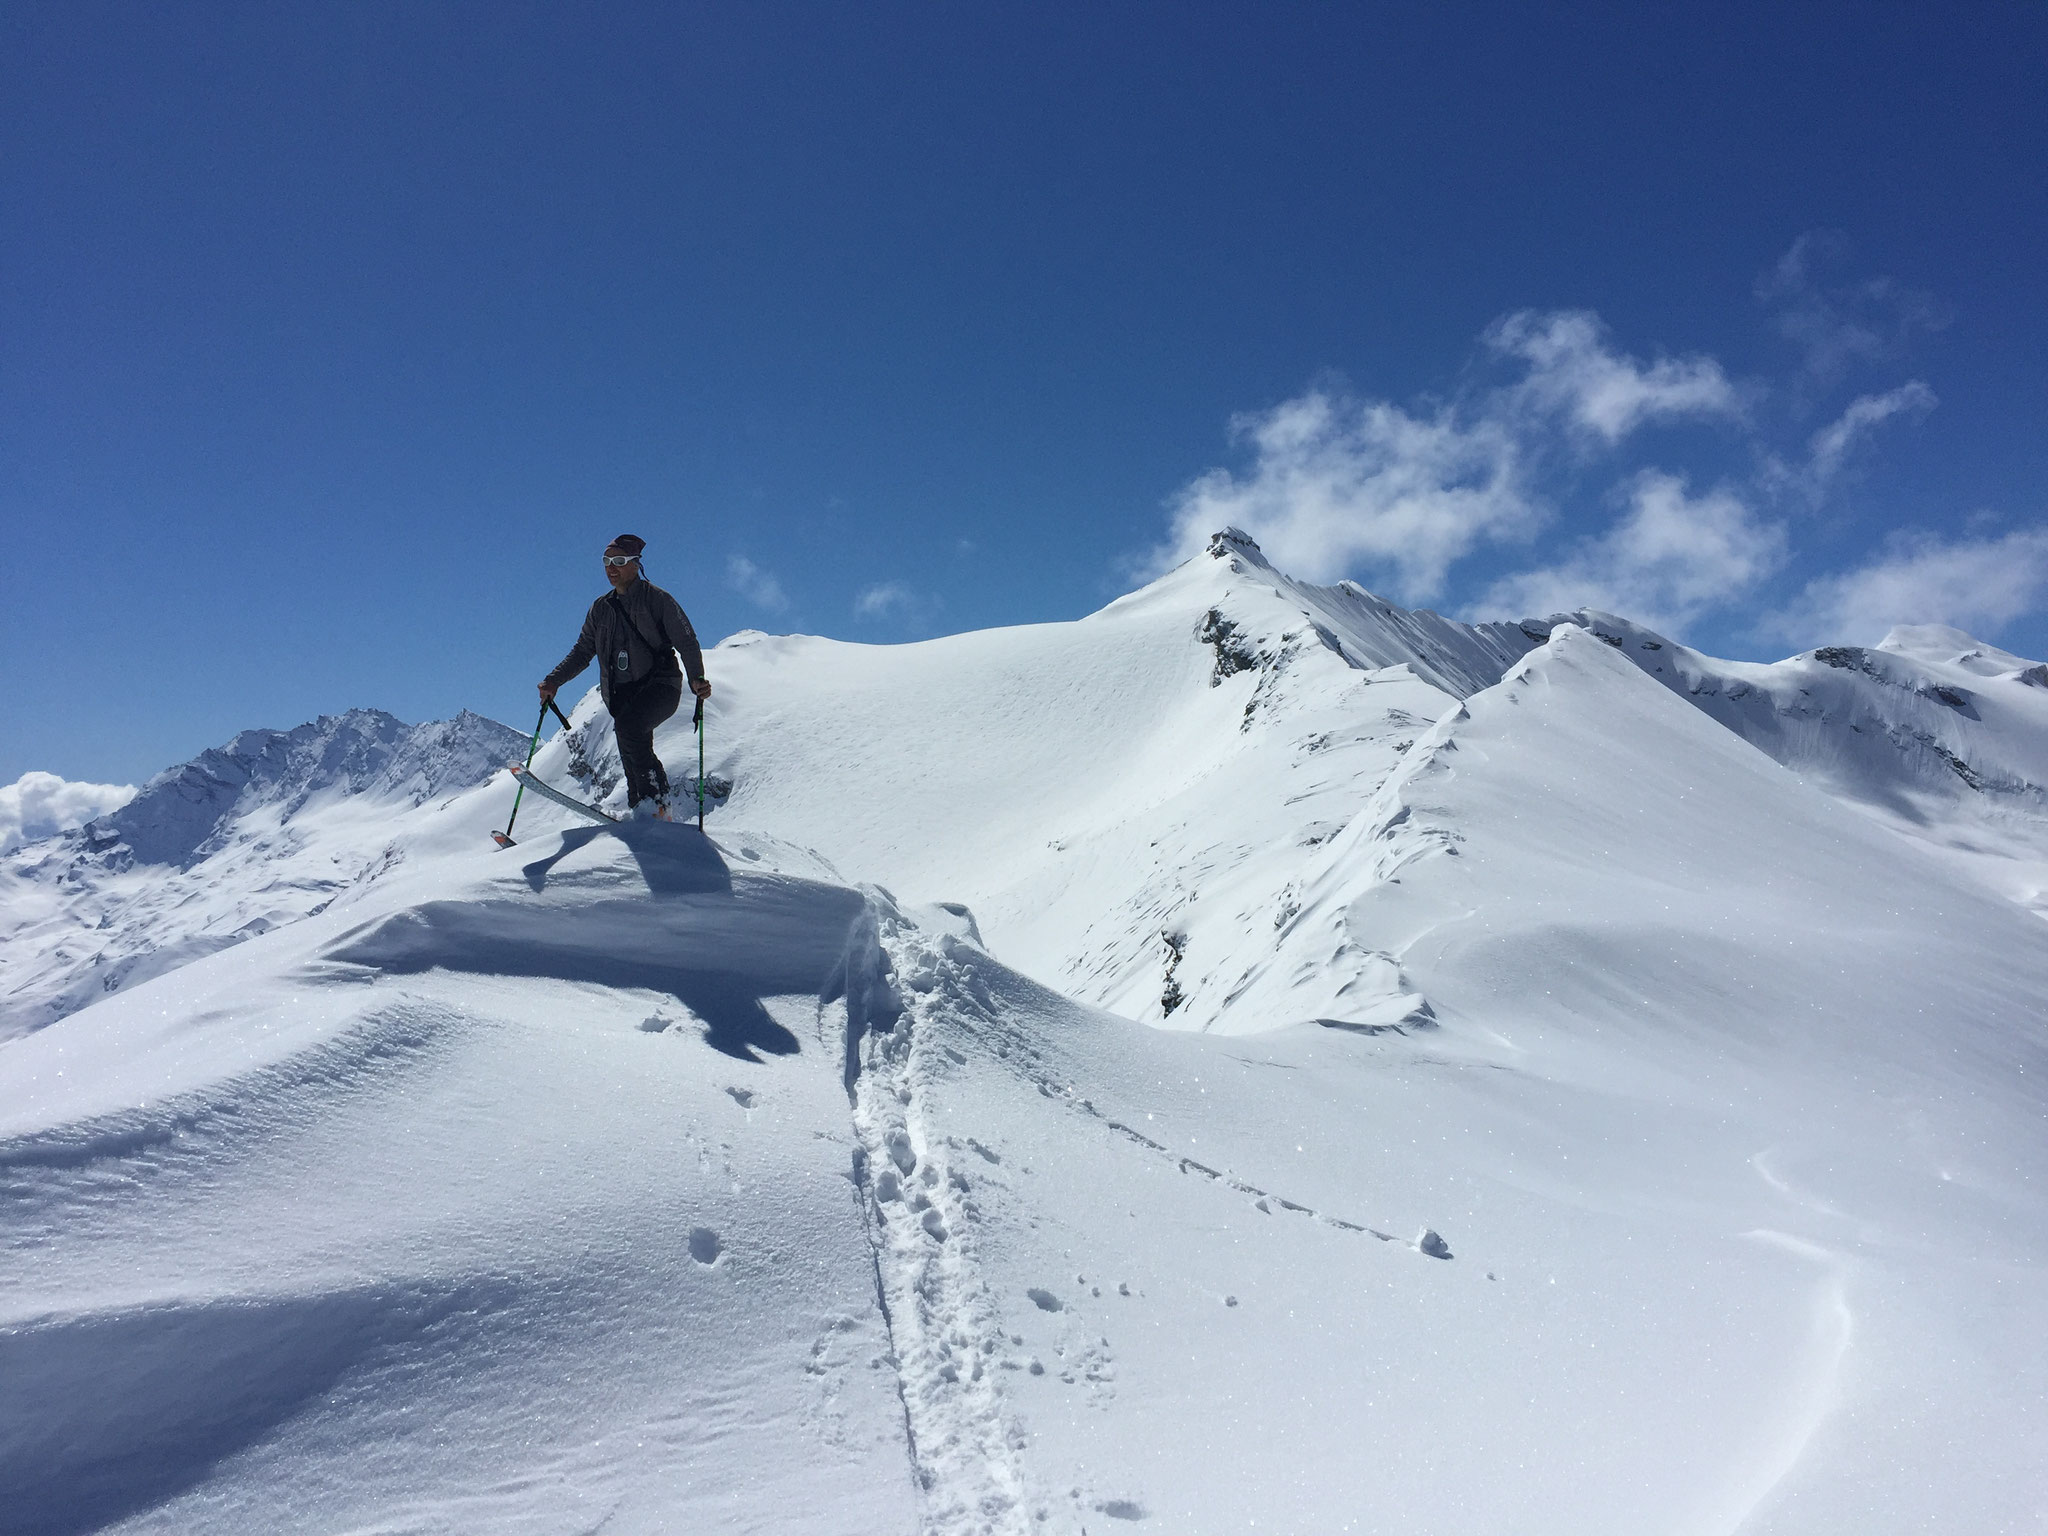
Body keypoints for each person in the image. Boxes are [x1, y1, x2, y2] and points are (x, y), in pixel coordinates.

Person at [539, 534, 712, 820]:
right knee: (630, 745)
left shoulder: (658, 600)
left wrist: (697, 678)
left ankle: (655, 803)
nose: (611, 568)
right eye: (606, 562)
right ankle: (643, 813)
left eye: (619, 561)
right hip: (622, 695)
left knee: (630, 729)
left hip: (661, 686)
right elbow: (583, 651)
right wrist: (554, 680)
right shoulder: (600, 609)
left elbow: (687, 641)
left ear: (635, 564)